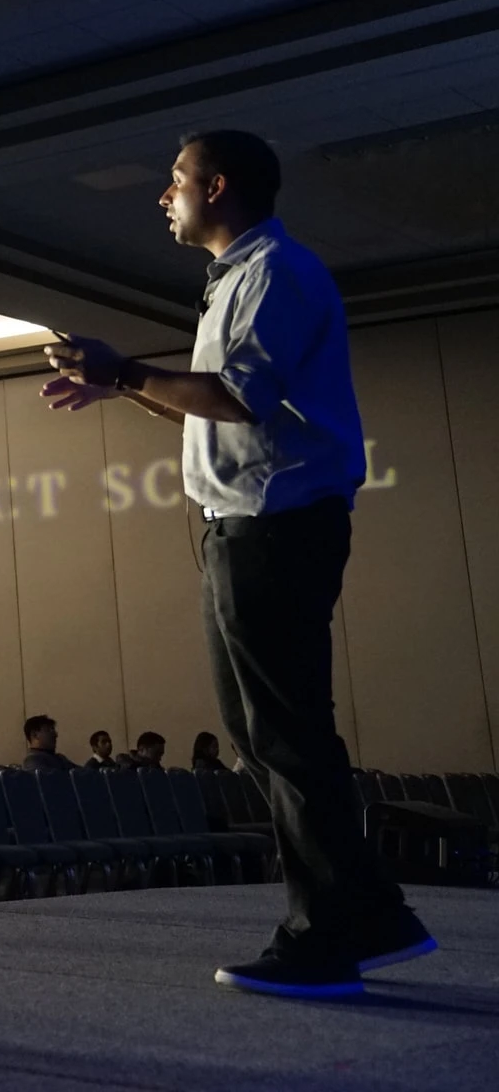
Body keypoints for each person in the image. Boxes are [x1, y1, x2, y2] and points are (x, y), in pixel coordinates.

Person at [42, 128, 428, 997]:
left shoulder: (273, 275)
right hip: (250, 524)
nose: (162, 195)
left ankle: (324, 935)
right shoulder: (238, 282)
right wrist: (121, 384)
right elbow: (216, 409)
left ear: (215, 188)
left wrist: (127, 368)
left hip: (276, 523)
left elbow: (238, 399)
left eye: (173, 179)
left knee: (284, 735)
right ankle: (371, 911)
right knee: (264, 735)